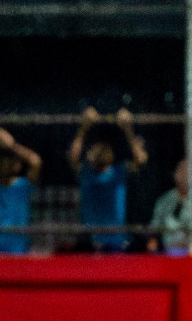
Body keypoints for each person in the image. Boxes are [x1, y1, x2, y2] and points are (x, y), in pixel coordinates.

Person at [67, 107, 148, 252]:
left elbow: (140, 159)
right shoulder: (85, 172)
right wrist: (84, 127)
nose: (100, 152)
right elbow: (73, 157)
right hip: (90, 244)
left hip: (116, 243)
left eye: (104, 149)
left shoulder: (119, 171)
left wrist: (128, 128)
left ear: (112, 155)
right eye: (95, 149)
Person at [0, 112, 42, 254]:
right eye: (0, 160)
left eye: (8, 160)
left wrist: (11, 145)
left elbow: (35, 161)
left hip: (20, 251)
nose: (3, 164)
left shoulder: (23, 186)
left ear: (15, 165)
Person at [148, 158, 189, 256]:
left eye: (188, 170)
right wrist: (152, 239)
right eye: (181, 170)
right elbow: (155, 226)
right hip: (169, 254)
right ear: (174, 174)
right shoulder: (164, 200)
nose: (184, 174)